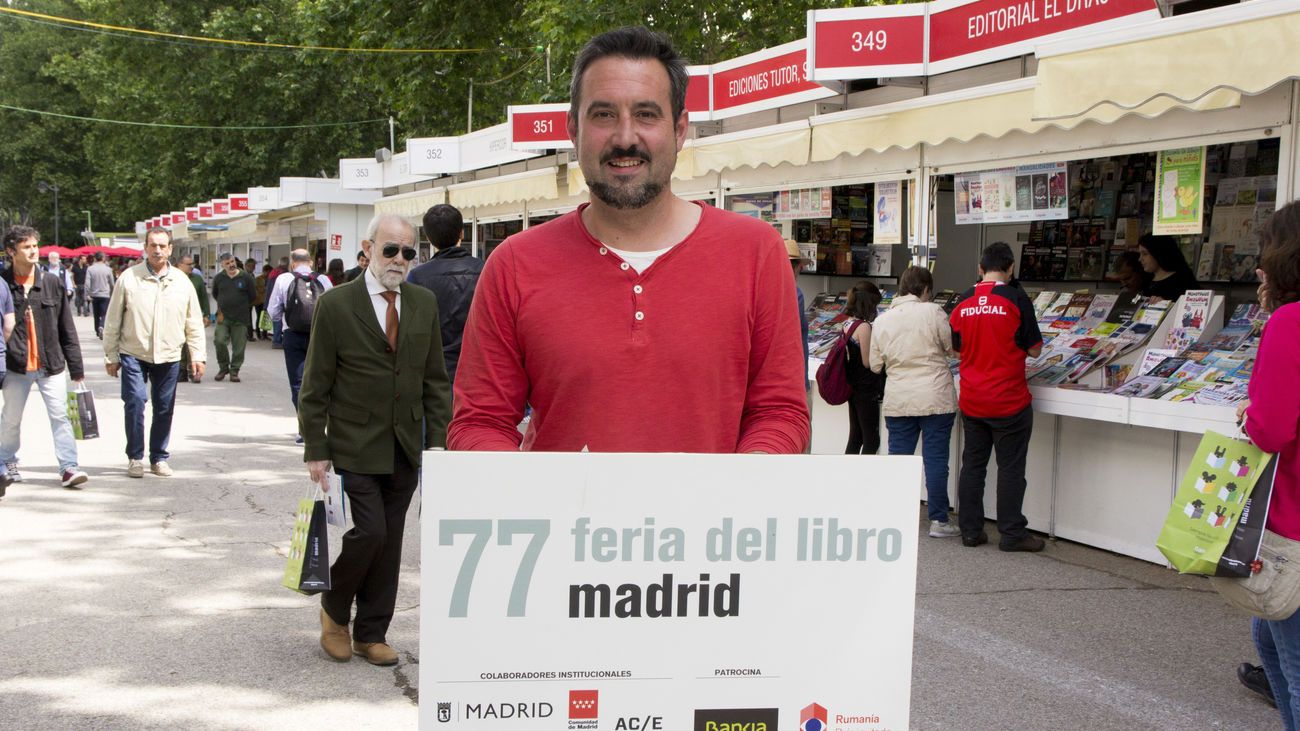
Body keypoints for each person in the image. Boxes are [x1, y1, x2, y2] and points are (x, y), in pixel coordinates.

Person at [448, 26, 808, 453]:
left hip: (708, 519)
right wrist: (530, 500)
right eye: (602, 114)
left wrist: (731, 499)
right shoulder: (514, 264)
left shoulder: (756, 253)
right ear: (573, 130)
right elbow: (479, 422)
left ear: (678, 130)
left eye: (646, 114)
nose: (624, 137)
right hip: (566, 520)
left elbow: (779, 413)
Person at [298, 212, 451, 666]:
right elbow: (315, 385)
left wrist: (438, 443)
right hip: (355, 443)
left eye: (409, 251)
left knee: (390, 543)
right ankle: (333, 607)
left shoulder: (423, 303)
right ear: (367, 251)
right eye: (391, 250)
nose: (400, 259)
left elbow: (435, 381)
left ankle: (371, 632)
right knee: (370, 533)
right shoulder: (337, 305)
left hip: (405, 446)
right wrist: (316, 449)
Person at [1238, 201, 1300, 729]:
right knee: (1268, 634)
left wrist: (1249, 412)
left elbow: (1272, 430)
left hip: (1294, 523)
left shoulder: (1290, 322)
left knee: (1292, 654)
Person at [950, 241, 1045, 552]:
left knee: (973, 465)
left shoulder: (963, 301)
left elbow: (957, 347)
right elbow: (1034, 348)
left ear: (980, 269)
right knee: (1011, 468)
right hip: (1009, 400)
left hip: (973, 399)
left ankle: (970, 530)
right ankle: (1011, 533)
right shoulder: (1017, 299)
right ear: (1010, 267)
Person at [103, 227, 206, 478]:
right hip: (133, 353)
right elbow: (113, 319)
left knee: (163, 408)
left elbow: (193, 322)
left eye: (162, 245)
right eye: (153, 245)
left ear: (170, 249)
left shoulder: (182, 282)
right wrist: (111, 355)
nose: (157, 250)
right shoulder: (129, 278)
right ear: (145, 248)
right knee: (135, 402)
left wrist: (197, 355)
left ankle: (158, 457)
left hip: (169, 355)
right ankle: (135, 457)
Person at [871, 266, 960, 538]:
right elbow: (951, 348)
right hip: (935, 396)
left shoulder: (883, 320)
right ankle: (938, 521)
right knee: (935, 460)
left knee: (899, 461)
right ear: (925, 289)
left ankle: (897, 518)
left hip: (899, 399)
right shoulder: (933, 312)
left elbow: (875, 365)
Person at [1, 226, 86, 488]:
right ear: (11, 251)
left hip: (51, 364)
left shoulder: (51, 282)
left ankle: (69, 468)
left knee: (61, 416)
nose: (34, 251)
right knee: (11, 418)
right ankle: (7, 462)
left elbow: (66, 327)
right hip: (16, 364)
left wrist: (77, 369)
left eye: (35, 245)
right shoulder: (3, 283)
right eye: (27, 247)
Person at [406, 204, 483, 385]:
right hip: (478, 369)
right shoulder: (484, 269)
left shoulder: (417, 276)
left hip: (435, 372)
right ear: (461, 233)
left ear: (429, 238)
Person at [267, 248, 332, 432]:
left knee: (298, 383)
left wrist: (284, 323)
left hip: (293, 335)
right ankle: (321, 425)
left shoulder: (284, 279)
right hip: (319, 335)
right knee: (319, 380)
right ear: (310, 262)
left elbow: (274, 311)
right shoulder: (323, 279)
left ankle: (305, 429)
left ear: (292, 263)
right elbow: (333, 308)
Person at [842, 281, 884, 455]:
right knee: (871, 440)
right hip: (866, 390)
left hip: (853, 387)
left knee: (855, 436)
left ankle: (846, 477)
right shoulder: (863, 327)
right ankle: (865, 478)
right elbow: (868, 362)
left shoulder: (848, 324)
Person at [210, 252, 255, 383]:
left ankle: (234, 371)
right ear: (222, 265)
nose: (231, 265)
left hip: (240, 318)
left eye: (232, 262)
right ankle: (223, 368)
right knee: (219, 341)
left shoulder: (245, 277)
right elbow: (215, 294)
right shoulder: (219, 278)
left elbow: (252, 295)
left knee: (239, 347)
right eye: (227, 263)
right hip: (223, 317)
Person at [176, 255, 211, 383]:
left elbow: (203, 297)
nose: (192, 266)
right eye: (188, 264)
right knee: (180, 344)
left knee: (193, 343)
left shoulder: (197, 279)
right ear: (179, 265)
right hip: (177, 317)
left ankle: (194, 371)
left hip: (193, 316)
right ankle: (181, 371)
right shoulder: (174, 279)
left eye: (192, 264)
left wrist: (206, 314)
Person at [1138, 234, 1198, 302]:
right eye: (1140, 254)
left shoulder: (1182, 281)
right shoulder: (1147, 280)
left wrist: (1165, 304)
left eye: (1145, 254)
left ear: (1158, 253)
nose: (1140, 259)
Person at [85, 251, 114, 338]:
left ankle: (97, 330)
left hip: (94, 294)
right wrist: (113, 293)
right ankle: (102, 326)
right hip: (105, 294)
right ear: (103, 258)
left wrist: (87, 294)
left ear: (94, 258)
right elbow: (112, 283)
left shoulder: (90, 269)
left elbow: (87, 283)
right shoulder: (108, 269)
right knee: (104, 313)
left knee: (96, 314)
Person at [267, 255, 291, 349]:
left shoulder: (273, 273)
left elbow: (268, 288)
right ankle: (277, 340)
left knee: (276, 319)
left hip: (272, 298)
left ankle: (276, 339)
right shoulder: (284, 275)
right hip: (280, 298)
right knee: (282, 319)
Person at [254, 264, 272, 340]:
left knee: (266, 318)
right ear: (265, 271)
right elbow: (258, 289)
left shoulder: (270, 279)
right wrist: (266, 288)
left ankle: (265, 334)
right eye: (268, 272)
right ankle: (258, 334)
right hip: (259, 301)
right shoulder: (258, 279)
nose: (269, 274)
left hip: (267, 301)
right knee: (259, 317)